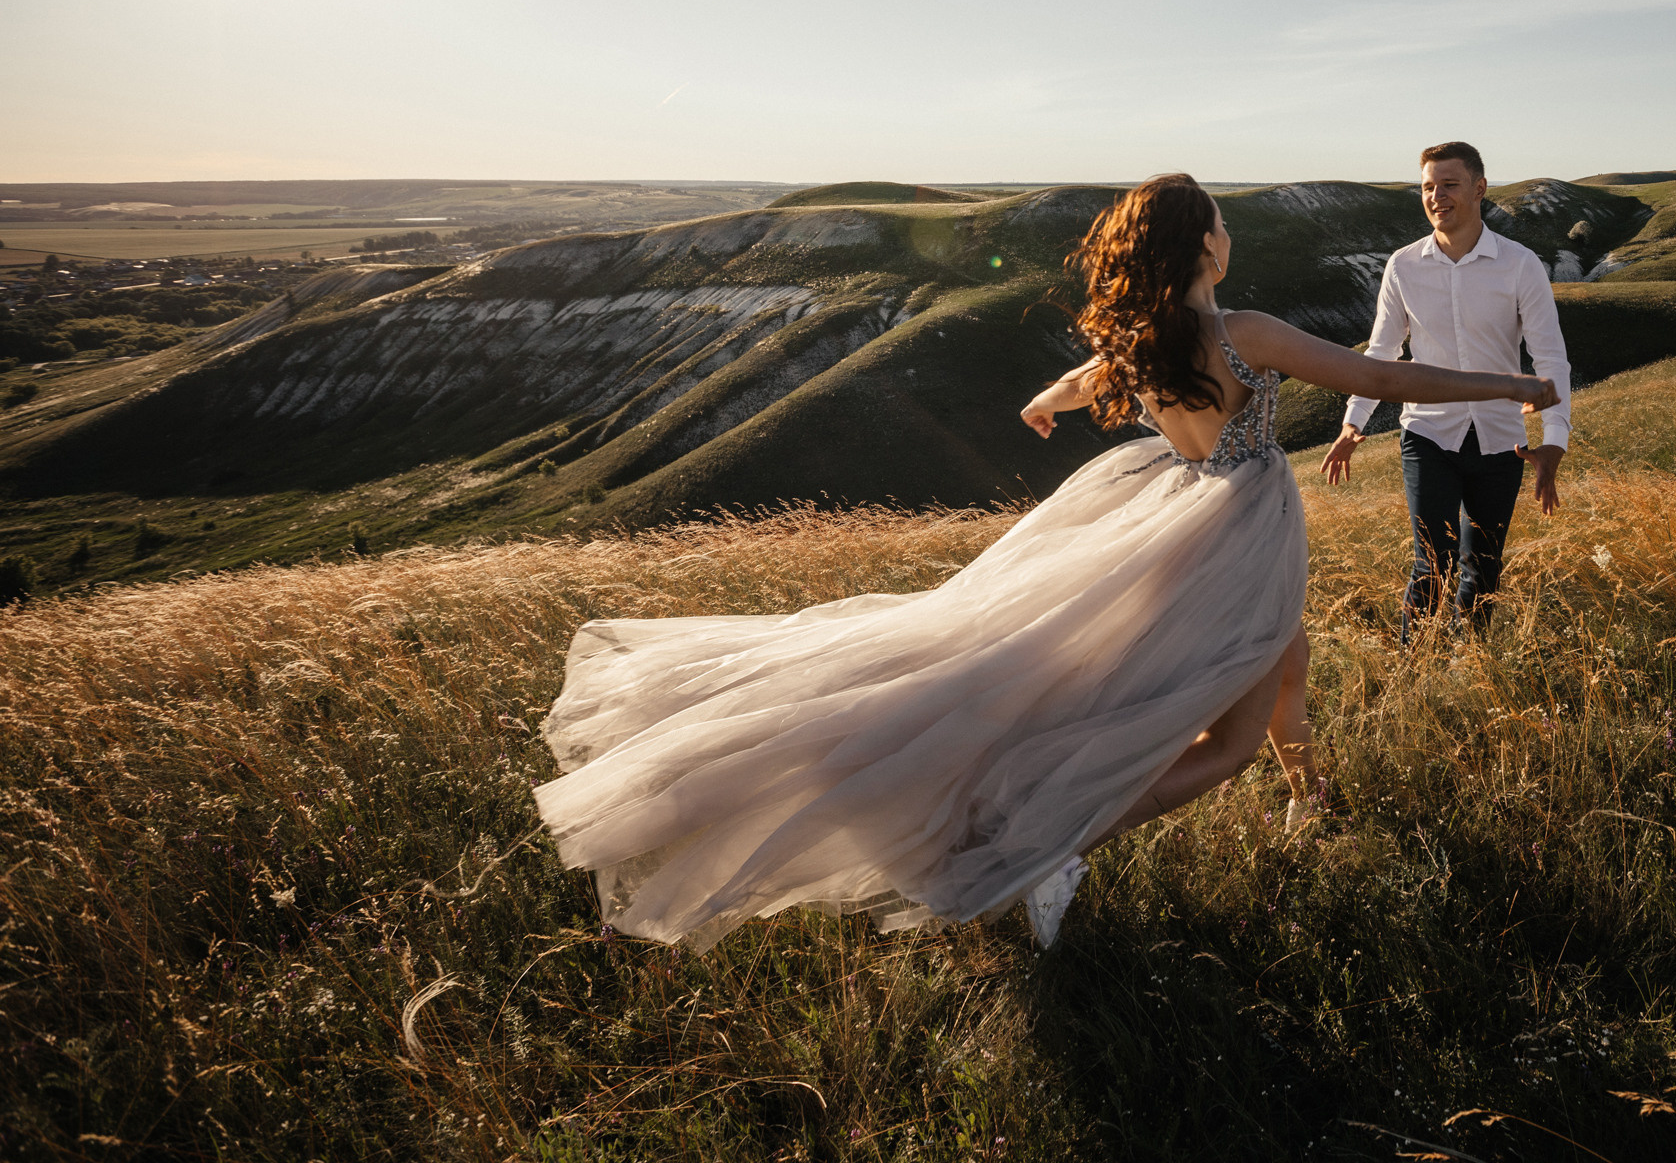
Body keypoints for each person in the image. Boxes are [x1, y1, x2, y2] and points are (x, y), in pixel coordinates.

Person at [536, 173, 1557, 950]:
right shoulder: (1245, 331)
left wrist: (1045, 402)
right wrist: (1507, 380)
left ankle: (1310, 798)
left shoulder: (1143, 336)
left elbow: (1083, 376)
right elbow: (1384, 371)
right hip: (1241, 528)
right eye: (1221, 224)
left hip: (1177, 510)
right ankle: (1051, 848)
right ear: (1208, 242)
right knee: (1225, 735)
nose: (1229, 233)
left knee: (1283, 658)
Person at [1319, 141, 1571, 640]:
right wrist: (1353, 424)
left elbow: (1550, 359)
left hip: (1503, 440)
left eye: (1449, 185)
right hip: (1427, 435)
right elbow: (1381, 353)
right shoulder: (1403, 266)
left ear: (1480, 188)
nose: (1437, 196)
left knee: (1483, 567)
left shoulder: (1520, 265)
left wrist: (1555, 441)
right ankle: (1412, 672)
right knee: (1431, 563)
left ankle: (1468, 668)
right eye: (1428, 187)